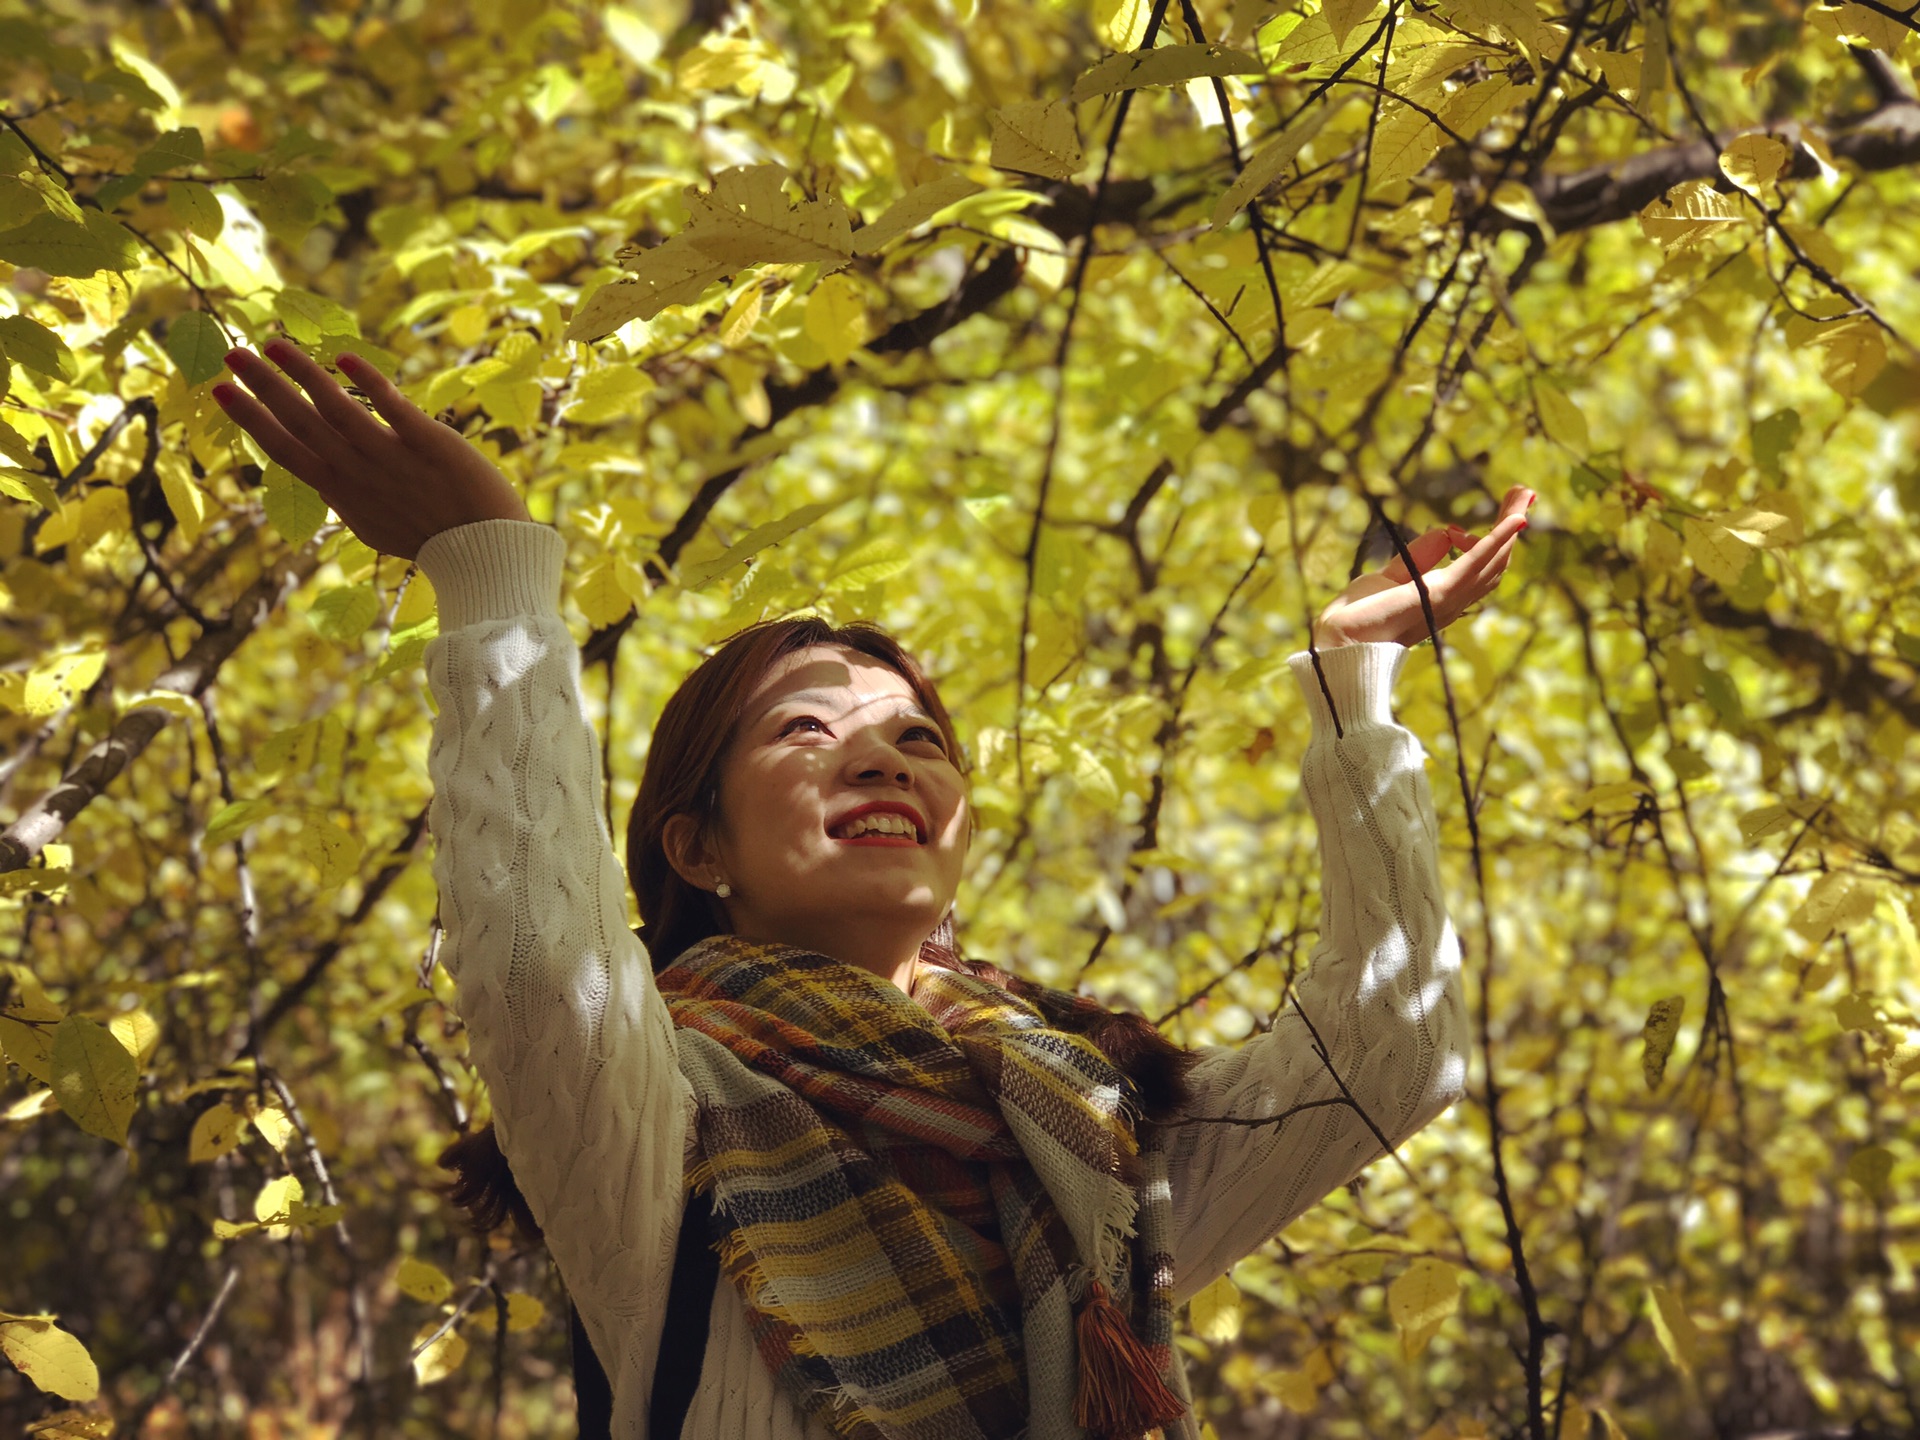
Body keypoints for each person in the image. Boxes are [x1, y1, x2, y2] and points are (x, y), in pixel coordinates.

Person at [212, 339, 1533, 1439]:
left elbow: (1390, 1053)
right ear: (699, 850)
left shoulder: (1084, 1134)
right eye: (803, 731)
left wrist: (1351, 686)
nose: (877, 755)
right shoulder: (657, 1120)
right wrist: (492, 567)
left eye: (916, 738)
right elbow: (534, 969)